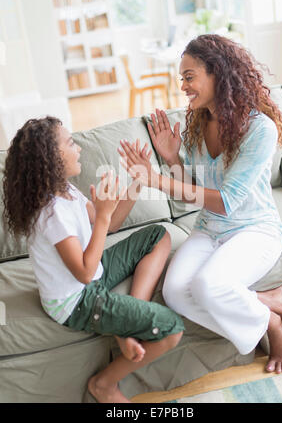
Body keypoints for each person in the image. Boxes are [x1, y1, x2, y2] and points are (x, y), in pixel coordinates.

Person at [119, 34, 282, 375]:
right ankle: (272, 306)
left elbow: (228, 201)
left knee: (208, 285)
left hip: (254, 229)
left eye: (190, 76)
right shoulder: (200, 123)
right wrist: (172, 157)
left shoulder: (259, 129)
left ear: (218, 73)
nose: (184, 86)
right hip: (209, 229)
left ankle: (273, 327)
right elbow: (193, 189)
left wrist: (156, 178)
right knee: (175, 292)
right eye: (182, 78)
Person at [2, 116, 184, 403]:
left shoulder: (66, 191)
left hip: (93, 275)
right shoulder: (51, 215)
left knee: (157, 235)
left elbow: (112, 225)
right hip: (75, 302)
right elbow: (84, 274)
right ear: (51, 157)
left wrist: (137, 180)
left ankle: (130, 318)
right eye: (71, 143)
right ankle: (104, 384)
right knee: (172, 329)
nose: (79, 149)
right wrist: (101, 215)